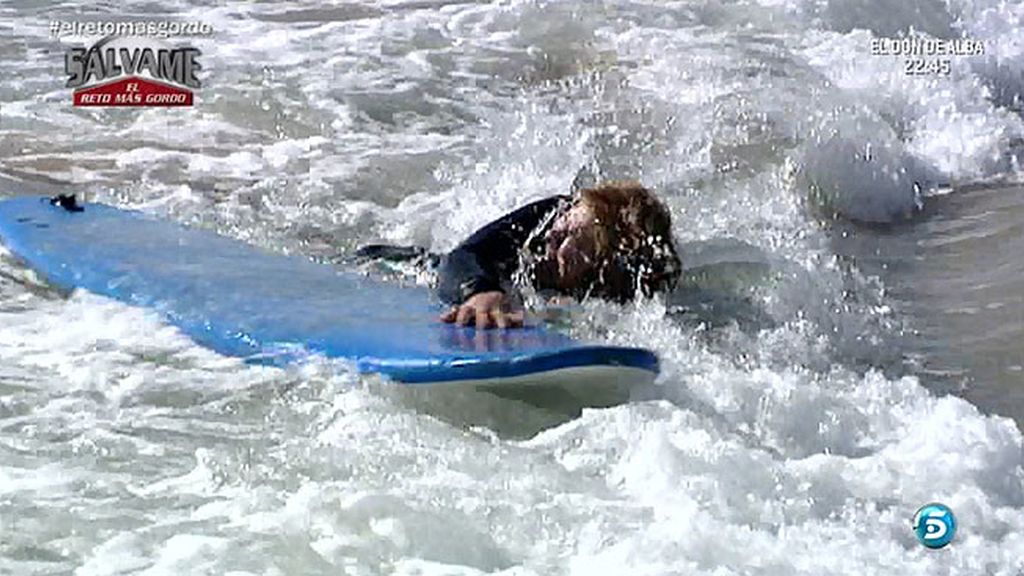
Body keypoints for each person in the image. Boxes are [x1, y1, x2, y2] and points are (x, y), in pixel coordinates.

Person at [430, 181, 682, 329]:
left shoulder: (630, 276)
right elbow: (462, 256)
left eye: (563, 241)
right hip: (429, 268)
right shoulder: (552, 215)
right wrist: (480, 291)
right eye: (559, 228)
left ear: (599, 264)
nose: (548, 238)